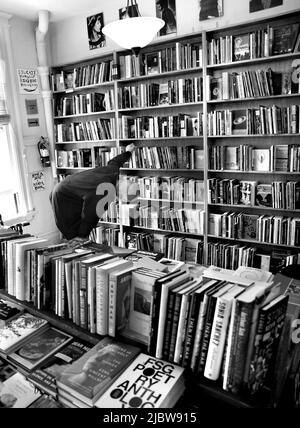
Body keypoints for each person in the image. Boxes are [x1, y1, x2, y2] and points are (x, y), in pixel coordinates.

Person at [50, 144, 135, 242]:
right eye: (121, 197)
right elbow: (90, 214)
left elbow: (115, 161)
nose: (117, 199)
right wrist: (83, 235)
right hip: (64, 199)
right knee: (75, 237)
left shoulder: (113, 172)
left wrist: (128, 152)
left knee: (77, 233)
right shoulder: (106, 192)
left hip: (63, 187)